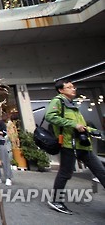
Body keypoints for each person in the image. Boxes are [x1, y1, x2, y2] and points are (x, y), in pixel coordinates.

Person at [46, 79, 105, 215]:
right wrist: (73, 125)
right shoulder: (58, 101)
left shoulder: (72, 105)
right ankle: (56, 200)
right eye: (69, 87)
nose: (73, 89)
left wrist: (92, 130)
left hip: (83, 145)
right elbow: (50, 117)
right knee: (65, 173)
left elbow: (80, 124)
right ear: (61, 90)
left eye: (73, 87)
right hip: (68, 144)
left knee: (101, 172)